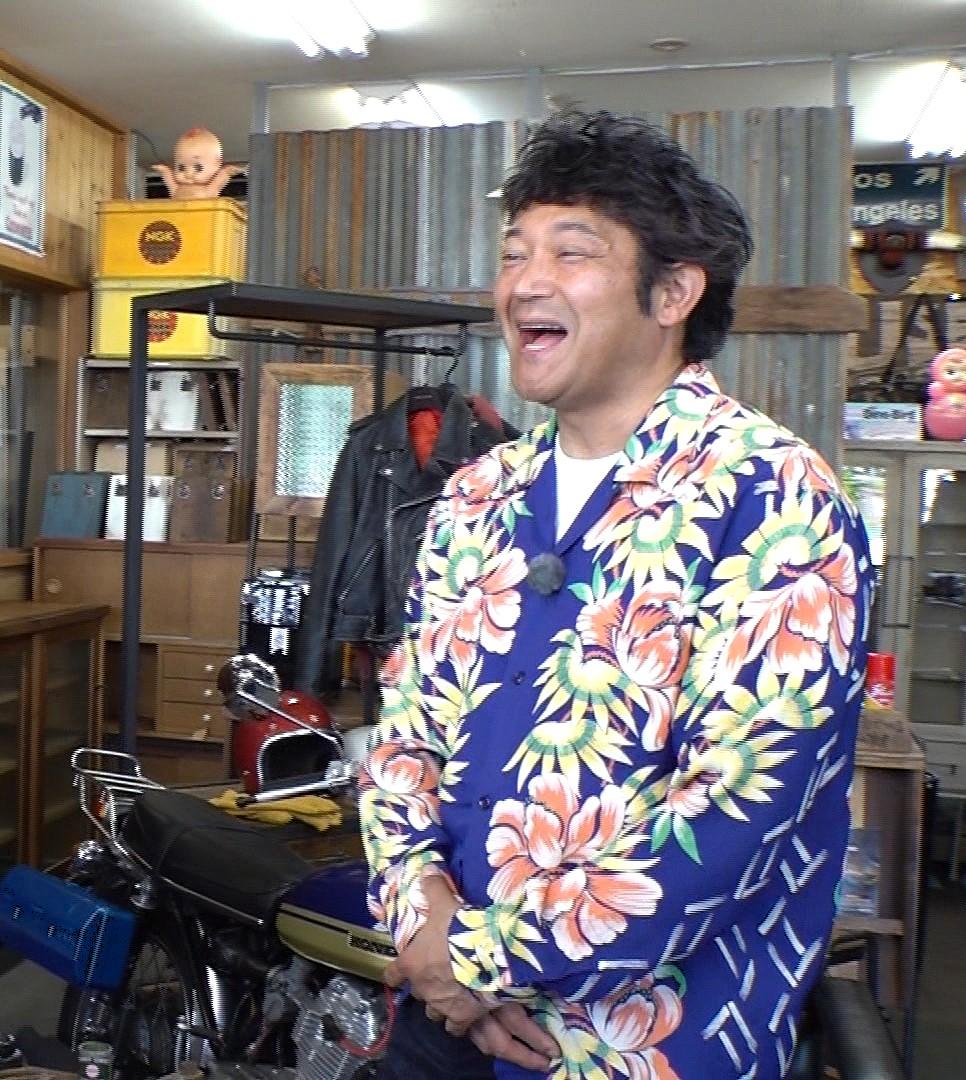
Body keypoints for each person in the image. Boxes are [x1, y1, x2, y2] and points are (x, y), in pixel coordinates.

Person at [359, 110, 873, 1080]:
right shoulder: (475, 497)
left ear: (673, 291)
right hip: (442, 1026)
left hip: (642, 1049)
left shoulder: (775, 496)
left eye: (571, 251)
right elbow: (402, 744)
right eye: (514, 253)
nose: (525, 281)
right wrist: (424, 930)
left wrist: (476, 961)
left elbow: (738, 812)